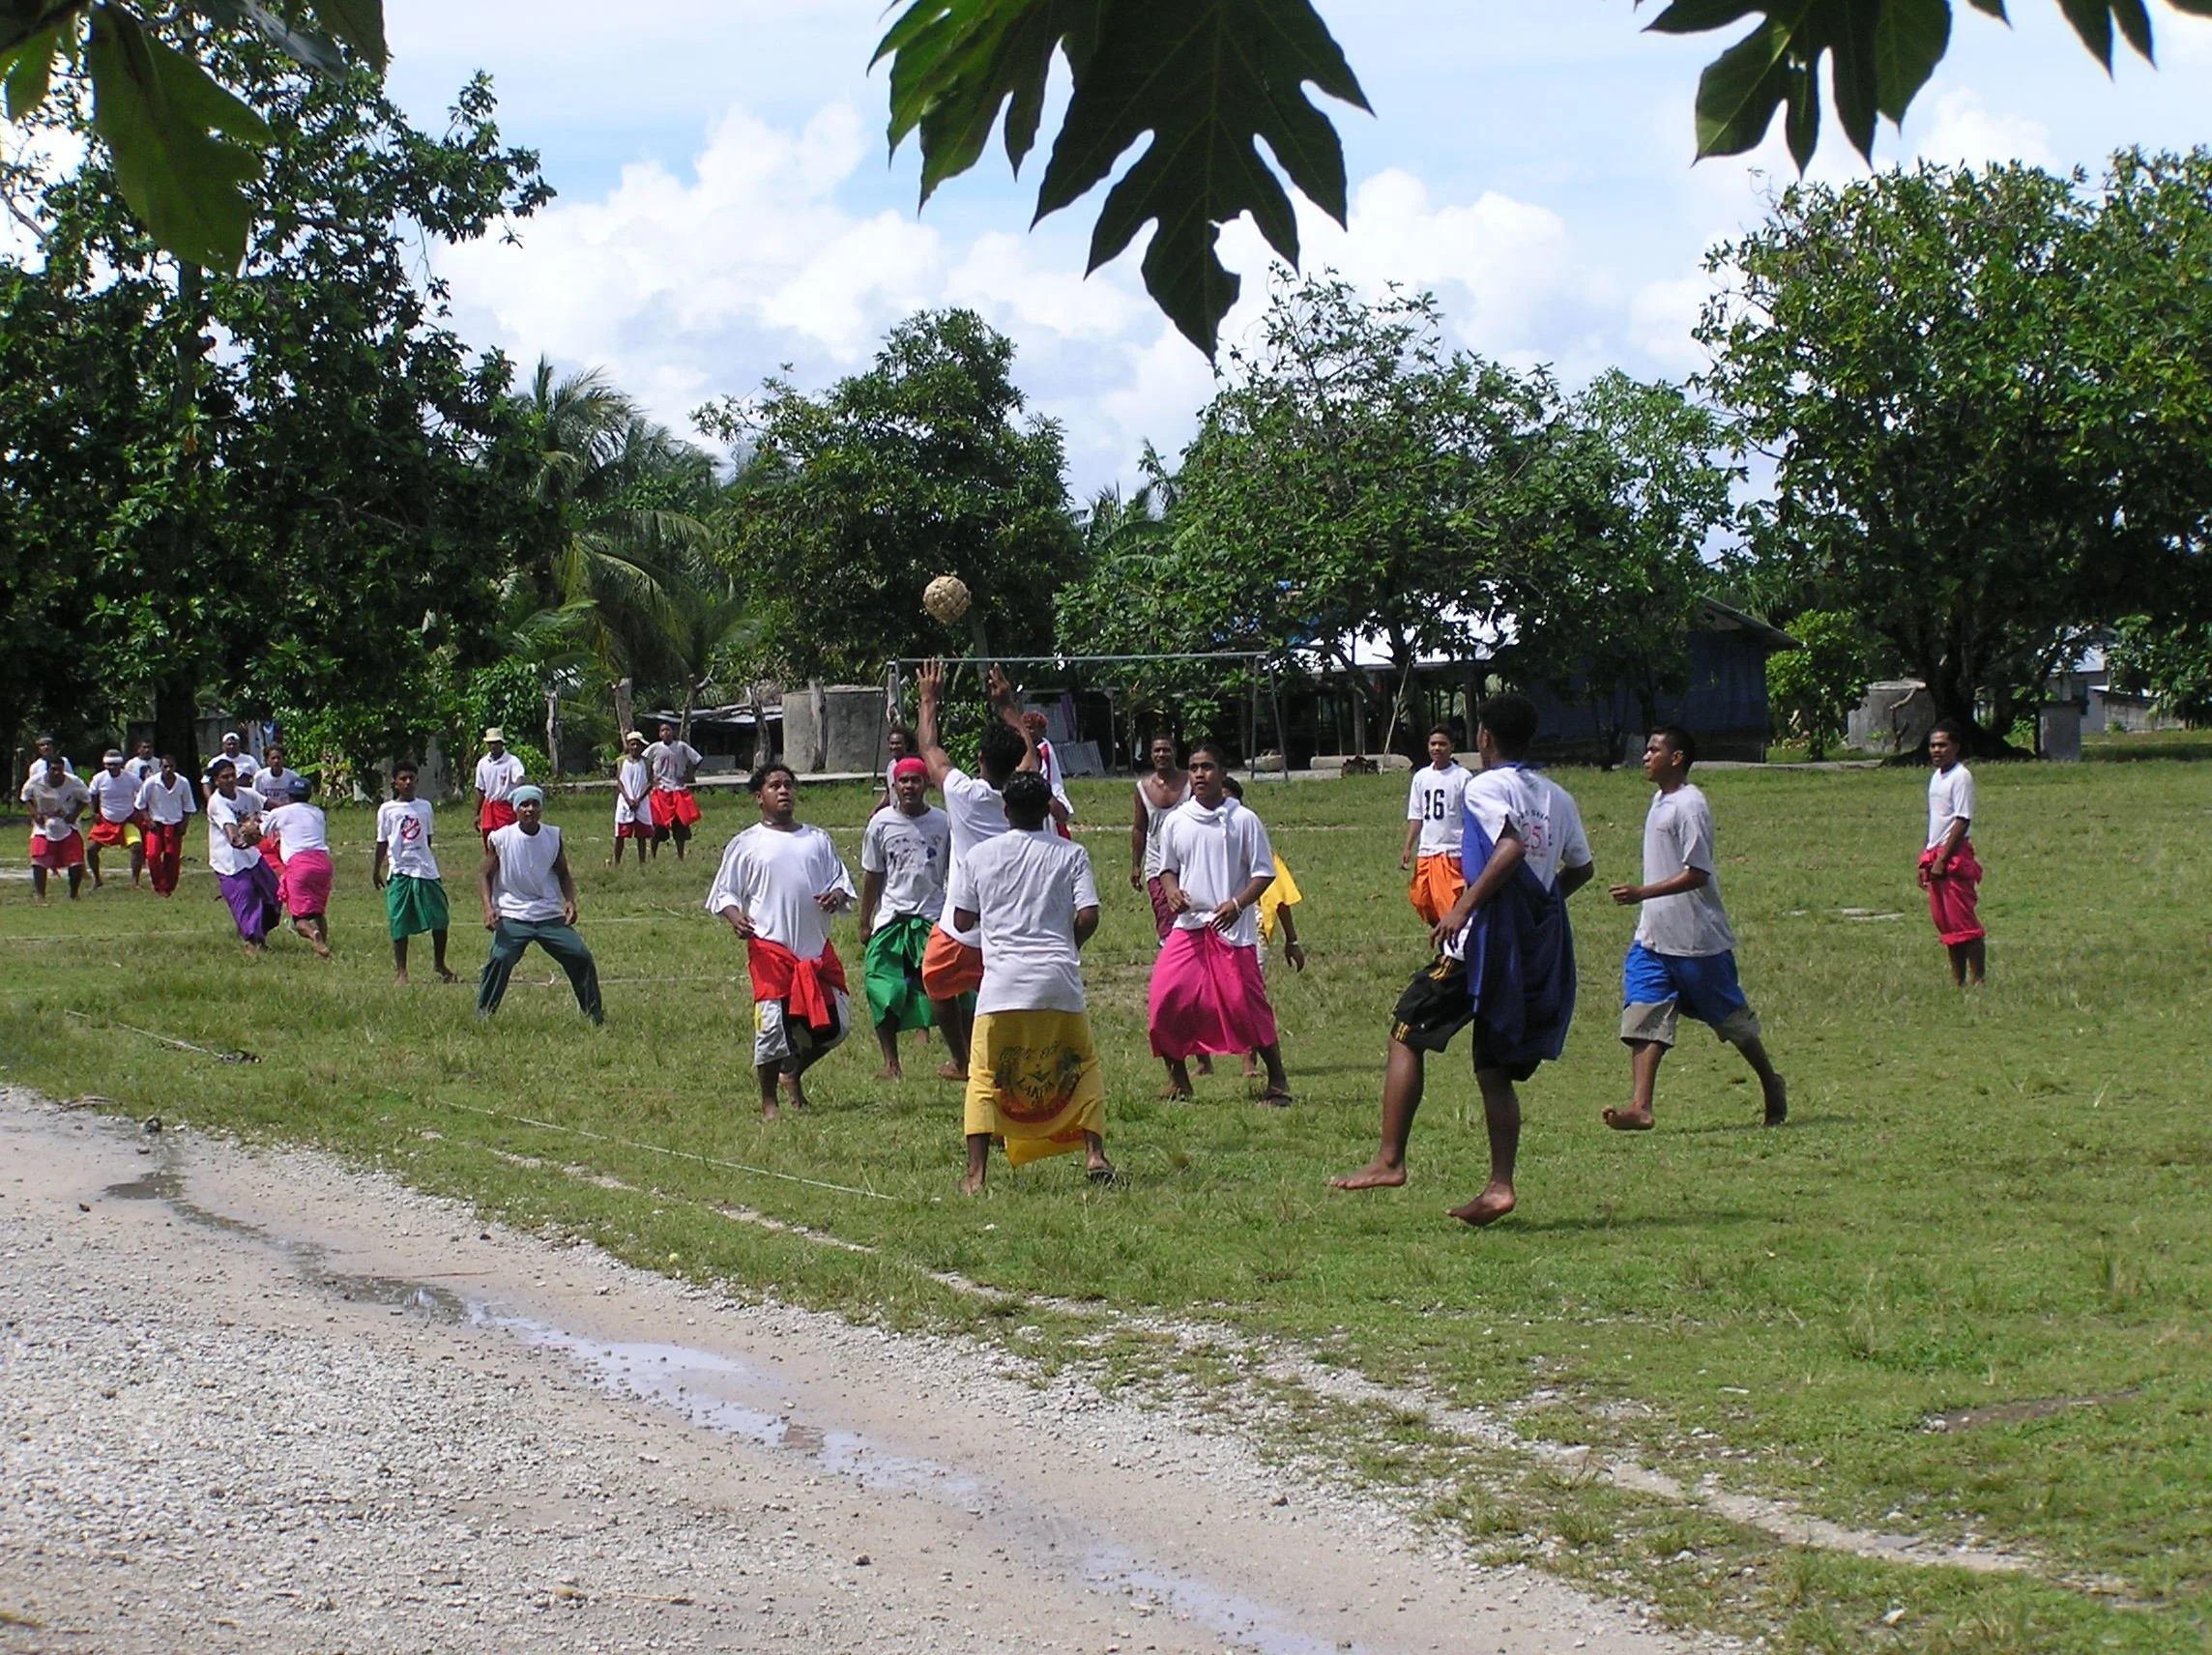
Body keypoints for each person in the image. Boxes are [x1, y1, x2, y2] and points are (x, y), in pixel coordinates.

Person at [1331, 695, 1592, 1224]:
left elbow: (1511, 846)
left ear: (1486, 739)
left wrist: (1463, 908)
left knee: (1407, 1027)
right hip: (1527, 948)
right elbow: (1581, 869)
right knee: (1492, 1068)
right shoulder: (1558, 797)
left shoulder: (1486, 786)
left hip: (1480, 941)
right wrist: (1538, 908)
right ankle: (1499, 1187)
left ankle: (1389, 1160)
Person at [1607, 726, 1787, 1131]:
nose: (1646, 756)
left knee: (1731, 1021)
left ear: (1677, 758)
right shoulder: (1659, 800)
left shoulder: (1690, 806)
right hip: (1653, 938)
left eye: (1654, 750)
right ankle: (1641, 1106)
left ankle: (1771, 1082)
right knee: (1644, 1013)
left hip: (1696, 941)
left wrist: (1642, 892)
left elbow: (1698, 873)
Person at [946, 771, 1113, 1193]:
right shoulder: (1071, 855)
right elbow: (1088, 915)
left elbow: (961, 918)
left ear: (1006, 812)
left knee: (984, 1074)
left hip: (1002, 985)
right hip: (1058, 979)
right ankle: (1094, 1153)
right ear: (1047, 811)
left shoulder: (980, 856)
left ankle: (976, 1175)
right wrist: (1067, 945)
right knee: (1082, 1064)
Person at [705, 763, 858, 1118]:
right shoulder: (747, 843)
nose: (784, 790)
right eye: (775, 786)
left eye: (788, 784)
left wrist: (836, 896)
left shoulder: (817, 839)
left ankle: (794, 1070)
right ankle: (769, 1100)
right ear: (760, 798)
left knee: (838, 1026)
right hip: (770, 950)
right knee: (772, 1028)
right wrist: (734, 917)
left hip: (815, 952)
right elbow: (725, 893)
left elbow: (841, 881)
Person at [1148, 741, 1294, 1105]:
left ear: (1223, 773)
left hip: (1232, 931)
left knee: (1246, 1006)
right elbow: (1167, 868)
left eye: (1208, 767)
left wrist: (1238, 904)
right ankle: (1178, 1079)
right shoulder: (1177, 820)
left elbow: (1264, 872)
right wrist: (1172, 891)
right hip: (1188, 928)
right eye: (1194, 767)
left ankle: (1277, 1080)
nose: (1200, 774)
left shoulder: (1243, 819)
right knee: (1164, 998)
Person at [914, 657, 1038, 1078]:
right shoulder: (1024, 795)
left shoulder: (964, 794)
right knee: (1004, 998)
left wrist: (928, 699)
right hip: (1012, 925)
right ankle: (1005, 1061)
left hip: (961, 925)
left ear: (980, 757)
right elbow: (1031, 762)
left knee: (935, 983)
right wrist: (1007, 706)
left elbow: (930, 749)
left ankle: (962, 1059)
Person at [859, 756, 959, 1080]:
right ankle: (891, 1063)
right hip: (892, 918)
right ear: (895, 786)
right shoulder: (880, 823)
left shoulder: (944, 822)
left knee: (949, 990)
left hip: (933, 917)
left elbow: (954, 871)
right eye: (903, 781)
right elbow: (873, 875)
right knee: (882, 988)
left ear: (927, 784)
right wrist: (865, 920)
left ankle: (962, 1057)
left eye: (916, 780)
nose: (909, 787)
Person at [478, 786, 602, 1024]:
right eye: (524, 805)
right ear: (516, 810)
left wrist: (570, 901)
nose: (530, 809)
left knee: (580, 956)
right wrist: (488, 908)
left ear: (541, 808)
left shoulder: (552, 836)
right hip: (513, 912)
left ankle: (594, 1015)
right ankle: (484, 1015)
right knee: (500, 958)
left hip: (547, 913)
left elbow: (563, 873)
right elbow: (484, 875)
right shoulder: (502, 838)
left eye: (534, 804)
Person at [374, 760, 454, 983]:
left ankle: (440, 964)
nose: (408, 782)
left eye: (411, 778)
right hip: (400, 870)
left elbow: (427, 838)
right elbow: (382, 842)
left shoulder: (425, 807)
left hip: (425, 870)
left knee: (439, 917)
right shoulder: (387, 810)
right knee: (398, 919)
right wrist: (376, 870)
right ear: (395, 783)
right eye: (403, 779)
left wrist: (422, 857)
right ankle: (402, 972)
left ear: (417, 781)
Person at [1921, 718, 1986, 987]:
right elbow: (1936, 821)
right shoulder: (1936, 777)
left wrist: (1944, 859)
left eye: (1942, 745)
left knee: (1964, 923)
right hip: (1935, 853)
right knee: (1946, 923)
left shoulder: (1961, 777)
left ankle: (1978, 980)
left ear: (1955, 747)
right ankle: (1957, 981)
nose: (1937, 750)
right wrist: (1926, 858)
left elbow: (1962, 820)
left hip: (1953, 854)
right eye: (1933, 745)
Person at [205, 760, 278, 952]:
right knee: (245, 895)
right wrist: (245, 837)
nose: (230, 780)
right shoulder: (217, 803)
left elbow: (272, 805)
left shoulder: (246, 794)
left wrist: (296, 810)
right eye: (224, 777)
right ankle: (251, 943)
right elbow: (231, 833)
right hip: (229, 861)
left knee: (274, 893)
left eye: (232, 775)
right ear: (216, 781)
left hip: (251, 857)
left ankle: (258, 935)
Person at [1401, 726, 1469, 926]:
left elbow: (1470, 818)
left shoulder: (1462, 777)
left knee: (1447, 903)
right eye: (1433, 744)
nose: (1437, 748)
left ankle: (1453, 948)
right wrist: (1408, 847)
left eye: (1442, 744)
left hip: (1451, 850)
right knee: (1421, 899)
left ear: (1452, 747)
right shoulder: (1421, 777)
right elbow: (1417, 816)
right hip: (1427, 850)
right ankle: (1442, 932)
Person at [260, 775, 333, 958]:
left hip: (299, 865)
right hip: (323, 863)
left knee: (299, 918)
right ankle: (323, 949)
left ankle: (312, 934)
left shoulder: (281, 812)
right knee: (318, 911)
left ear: (288, 795)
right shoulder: (318, 812)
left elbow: (261, 831)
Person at [1130, 734, 1192, 941]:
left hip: (1188, 860)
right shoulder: (1143, 788)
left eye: (1166, 749)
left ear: (1174, 752)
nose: (1161, 754)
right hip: (1157, 862)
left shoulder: (1189, 782)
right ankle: (1169, 956)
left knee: (1191, 912)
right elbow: (1139, 828)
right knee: (1165, 914)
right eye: (1157, 750)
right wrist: (1136, 865)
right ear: (1150, 755)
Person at [22, 760, 91, 903]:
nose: (57, 773)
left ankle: (74, 894)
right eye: (53, 770)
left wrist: (73, 815)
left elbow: (85, 798)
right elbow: (25, 798)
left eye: (60, 770)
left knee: (75, 860)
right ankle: (40, 895)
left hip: (66, 825)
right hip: (43, 826)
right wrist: (35, 814)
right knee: (39, 859)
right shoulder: (36, 781)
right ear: (47, 770)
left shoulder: (74, 782)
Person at [83, 749, 147, 890]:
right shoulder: (99, 778)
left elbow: (144, 793)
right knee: (91, 849)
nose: (111, 768)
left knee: (137, 847)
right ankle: (97, 880)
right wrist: (93, 812)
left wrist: (138, 811)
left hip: (127, 820)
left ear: (121, 764)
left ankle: (135, 882)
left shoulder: (131, 778)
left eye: (114, 764)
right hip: (106, 820)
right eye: (108, 765)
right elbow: (92, 795)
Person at [134, 755, 196, 897]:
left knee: (172, 858)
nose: (168, 770)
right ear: (160, 767)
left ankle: (168, 887)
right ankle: (159, 885)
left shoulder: (182, 783)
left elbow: (188, 806)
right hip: (156, 825)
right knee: (153, 855)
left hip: (174, 825)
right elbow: (140, 804)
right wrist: (148, 820)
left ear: (175, 767)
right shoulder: (151, 782)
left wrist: (184, 825)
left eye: (171, 767)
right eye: (165, 767)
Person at [645, 719, 704, 859]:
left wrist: (689, 774)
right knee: (659, 825)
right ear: (659, 734)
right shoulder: (655, 748)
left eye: (668, 730)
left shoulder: (681, 747)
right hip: (661, 790)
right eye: (663, 730)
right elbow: (644, 760)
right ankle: (653, 854)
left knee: (680, 825)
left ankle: (680, 855)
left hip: (677, 789)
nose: (666, 733)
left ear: (673, 732)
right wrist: (650, 778)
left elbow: (697, 759)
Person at [1020, 709, 1075, 836]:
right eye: (1025, 728)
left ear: (1042, 731)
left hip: (1047, 795)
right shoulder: (1039, 746)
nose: (1027, 732)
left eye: (1031, 728)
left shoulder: (1042, 751)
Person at [474, 728, 526, 845]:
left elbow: (520, 778)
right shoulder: (483, 763)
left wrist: (517, 793)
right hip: (489, 807)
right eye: (490, 743)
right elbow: (480, 789)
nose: (493, 746)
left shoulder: (512, 761)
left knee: (507, 840)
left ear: (502, 743)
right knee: (489, 839)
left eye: (496, 743)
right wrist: (477, 813)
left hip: (505, 807)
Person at [612, 731, 655, 869]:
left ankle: (642, 863)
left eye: (638, 745)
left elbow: (650, 782)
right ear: (629, 746)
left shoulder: (647, 763)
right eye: (633, 744)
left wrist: (639, 799)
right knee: (620, 835)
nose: (635, 747)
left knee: (641, 836)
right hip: (625, 802)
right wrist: (628, 799)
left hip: (641, 802)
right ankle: (617, 862)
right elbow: (619, 781)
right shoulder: (621, 761)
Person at [873, 727, 917, 813]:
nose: (894, 747)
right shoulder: (891, 766)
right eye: (892, 743)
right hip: (895, 813)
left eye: (898, 744)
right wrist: (877, 809)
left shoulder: (912, 765)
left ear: (906, 745)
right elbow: (889, 792)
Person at [199, 732, 247, 803]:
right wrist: (211, 802)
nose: (232, 746)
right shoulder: (215, 762)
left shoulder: (250, 760)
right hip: (222, 799)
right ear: (223, 746)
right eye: (229, 744)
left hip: (244, 798)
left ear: (238, 745)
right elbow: (206, 783)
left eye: (234, 744)